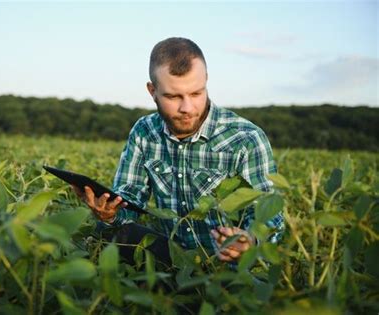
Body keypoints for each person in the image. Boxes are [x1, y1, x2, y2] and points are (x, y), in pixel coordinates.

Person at [73, 37, 283, 266]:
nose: (187, 108)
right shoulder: (145, 132)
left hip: (226, 263)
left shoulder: (245, 138)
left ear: (206, 81)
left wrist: (250, 241)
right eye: (173, 96)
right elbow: (130, 199)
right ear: (152, 91)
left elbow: (268, 213)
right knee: (117, 237)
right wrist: (110, 213)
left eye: (196, 93)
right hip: (172, 255)